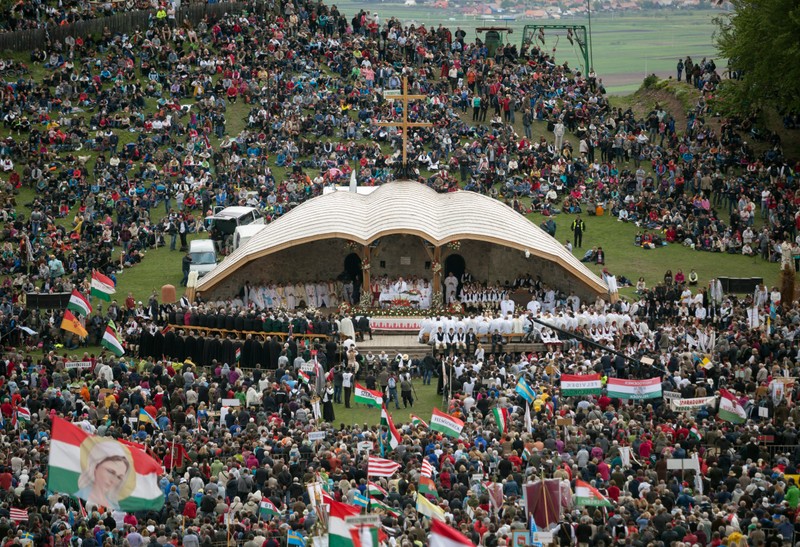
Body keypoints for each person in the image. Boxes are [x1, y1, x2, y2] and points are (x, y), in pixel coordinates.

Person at [76, 441, 133, 510]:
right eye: (110, 472)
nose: (113, 480)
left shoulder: (116, 505)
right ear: (96, 468)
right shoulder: (81, 496)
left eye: (119, 477)